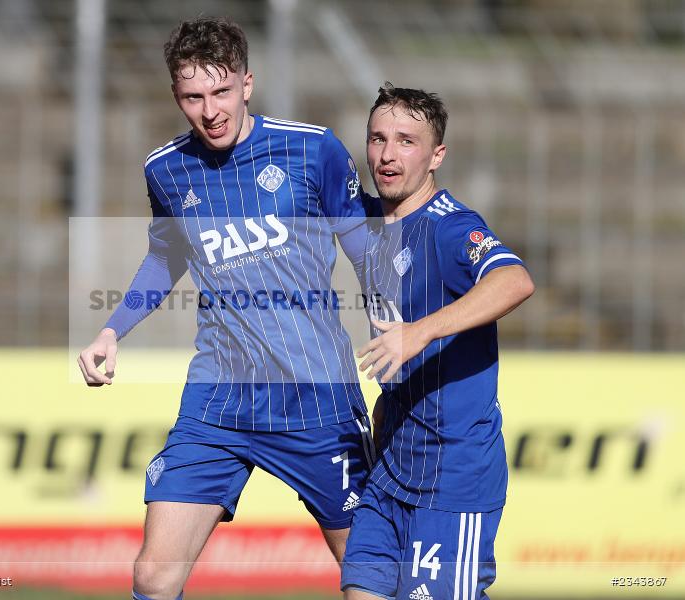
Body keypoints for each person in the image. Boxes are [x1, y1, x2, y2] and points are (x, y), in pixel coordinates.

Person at [78, 17, 375, 600]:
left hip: (315, 396)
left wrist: (397, 327)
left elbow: (365, 249)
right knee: (153, 575)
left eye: (221, 92)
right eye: (193, 96)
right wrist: (112, 331)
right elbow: (165, 258)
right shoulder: (166, 169)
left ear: (247, 84)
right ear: (176, 96)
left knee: (368, 578)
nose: (209, 110)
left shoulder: (312, 149)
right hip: (219, 399)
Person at [340, 84, 535, 600]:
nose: (387, 154)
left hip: (453, 477)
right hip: (390, 470)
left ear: (436, 156)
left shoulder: (452, 228)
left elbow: (515, 280)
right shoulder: (369, 221)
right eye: (378, 139)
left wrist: (419, 333)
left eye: (406, 141)